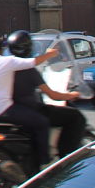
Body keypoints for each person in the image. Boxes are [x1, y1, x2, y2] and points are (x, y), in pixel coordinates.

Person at [0, 34, 59, 169]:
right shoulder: (5, 61)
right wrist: (50, 54)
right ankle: (45, 162)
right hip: (1, 110)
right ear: (1, 49)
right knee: (42, 122)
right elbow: (33, 62)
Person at [7, 30, 85, 162]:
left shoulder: (5, 67)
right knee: (76, 117)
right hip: (31, 109)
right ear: (29, 48)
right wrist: (70, 95)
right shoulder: (29, 70)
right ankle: (64, 158)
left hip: (12, 110)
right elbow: (52, 95)